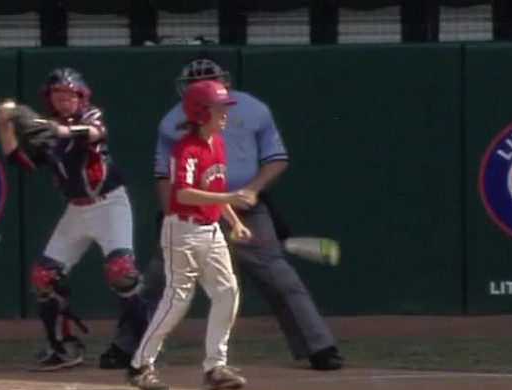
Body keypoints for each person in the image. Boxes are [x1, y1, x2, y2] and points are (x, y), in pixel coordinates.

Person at [102, 54, 344, 371]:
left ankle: (319, 347)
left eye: (212, 82)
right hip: (192, 215)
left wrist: (251, 191)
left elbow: (276, 159)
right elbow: (166, 178)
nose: (211, 94)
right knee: (160, 280)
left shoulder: (253, 110)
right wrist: (172, 211)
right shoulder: (173, 126)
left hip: (246, 209)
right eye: (197, 84)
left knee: (278, 276)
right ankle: (126, 347)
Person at [0, 67, 149, 371]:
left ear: (81, 98)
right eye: (58, 96)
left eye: (70, 96)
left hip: (109, 204)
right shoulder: (47, 133)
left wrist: (56, 129)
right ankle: (63, 348)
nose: (64, 102)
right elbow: (17, 158)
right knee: (43, 278)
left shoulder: (89, 116)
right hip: (77, 210)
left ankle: (147, 347)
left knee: (121, 273)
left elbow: (93, 133)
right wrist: (4, 125)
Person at [127, 79, 254, 390]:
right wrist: (231, 197)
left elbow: (215, 190)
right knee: (177, 298)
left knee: (227, 292)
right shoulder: (187, 148)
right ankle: (140, 365)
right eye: (218, 108)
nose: (224, 113)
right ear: (200, 111)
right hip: (182, 230)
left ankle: (215, 367)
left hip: (211, 231)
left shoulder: (217, 144)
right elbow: (183, 193)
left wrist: (235, 221)